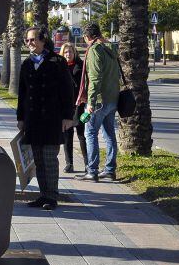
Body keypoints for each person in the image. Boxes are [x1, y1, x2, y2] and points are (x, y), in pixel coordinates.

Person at [17, 27, 75, 210]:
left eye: (33, 39)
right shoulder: (26, 63)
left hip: (52, 119)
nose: (30, 43)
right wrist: (21, 118)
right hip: (33, 120)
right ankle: (43, 195)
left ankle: (52, 196)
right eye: (27, 40)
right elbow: (22, 93)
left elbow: (68, 91)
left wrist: (67, 116)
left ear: (43, 40)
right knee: (38, 160)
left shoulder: (57, 62)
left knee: (50, 159)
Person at [76, 23, 120, 182]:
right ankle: (109, 169)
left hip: (99, 101)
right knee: (109, 134)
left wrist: (90, 103)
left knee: (90, 133)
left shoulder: (94, 50)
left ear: (87, 37)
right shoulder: (110, 50)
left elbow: (94, 79)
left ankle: (92, 171)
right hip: (112, 99)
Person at [61, 42, 88, 173]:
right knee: (67, 135)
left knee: (81, 134)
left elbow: (86, 83)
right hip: (65, 105)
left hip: (79, 104)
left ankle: (87, 163)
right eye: (65, 52)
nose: (68, 54)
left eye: (70, 52)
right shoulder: (59, 66)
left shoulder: (81, 66)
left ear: (74, 53)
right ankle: (69, 163)